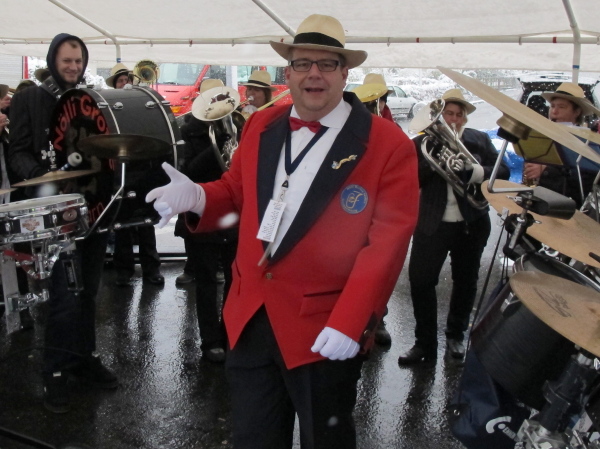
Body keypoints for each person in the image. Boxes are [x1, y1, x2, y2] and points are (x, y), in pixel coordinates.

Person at [146, 14, 419, 448]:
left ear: (344, 73)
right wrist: (198, 197)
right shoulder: (262, 125)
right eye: (302, 63)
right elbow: (236, 192)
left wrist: (351, 321)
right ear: (287, 73)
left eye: (327, 64)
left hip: (324, 327)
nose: (314, 73)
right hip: (250, 319)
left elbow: (386, 244)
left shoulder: (387, 144)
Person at [8, 33, 117, 414]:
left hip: (92, 209)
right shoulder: (29, 99)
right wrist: (43, 178)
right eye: (67, 60)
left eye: (78, 61)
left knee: (88, 292)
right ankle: (54, 370)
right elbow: (17, 153)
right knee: (64, 297)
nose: (73, 67)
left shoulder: (88, 98)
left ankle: (84, 358)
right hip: (53, 213)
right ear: (53, 59)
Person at [398, 89, 510, 365]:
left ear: (465, 119)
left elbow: (503, 171)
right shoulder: (421, 144)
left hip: (471, 223)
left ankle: (456, 336)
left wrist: (476, 172)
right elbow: (409, 179)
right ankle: (424, 343)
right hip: (432, 224)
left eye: (459, 115)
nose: (454, 119)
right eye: (448, 113)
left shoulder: (478, 139)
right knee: (421, 282)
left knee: (466, 282)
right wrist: (434, 163)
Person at [174, 78, 238, 362]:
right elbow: (187, 172)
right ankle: (210, 340)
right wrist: (213, 148)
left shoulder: (235, 126)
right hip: (200, 215)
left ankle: (230, 333)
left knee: (235, 279)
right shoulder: (187, 131)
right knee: (206, 281)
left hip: (232, 214)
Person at [105, 63, 164, 287]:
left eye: (127, 79)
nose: (125, 83)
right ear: (115, 85)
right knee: (121, 223)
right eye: (121, 81)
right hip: (120, 169)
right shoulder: (109, 105)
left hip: (142, 167)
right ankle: (123, 271)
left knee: (146, 221)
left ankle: (151, 269)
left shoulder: (140, 104)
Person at [523, 82, 600, 206]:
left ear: (577, 112)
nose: (554, 111)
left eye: (562, 107)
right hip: (538, 202)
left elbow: (583, 183)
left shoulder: (585, 141)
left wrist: (545, 171)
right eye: (552, 106)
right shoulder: (541, 135)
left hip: (566, 208)